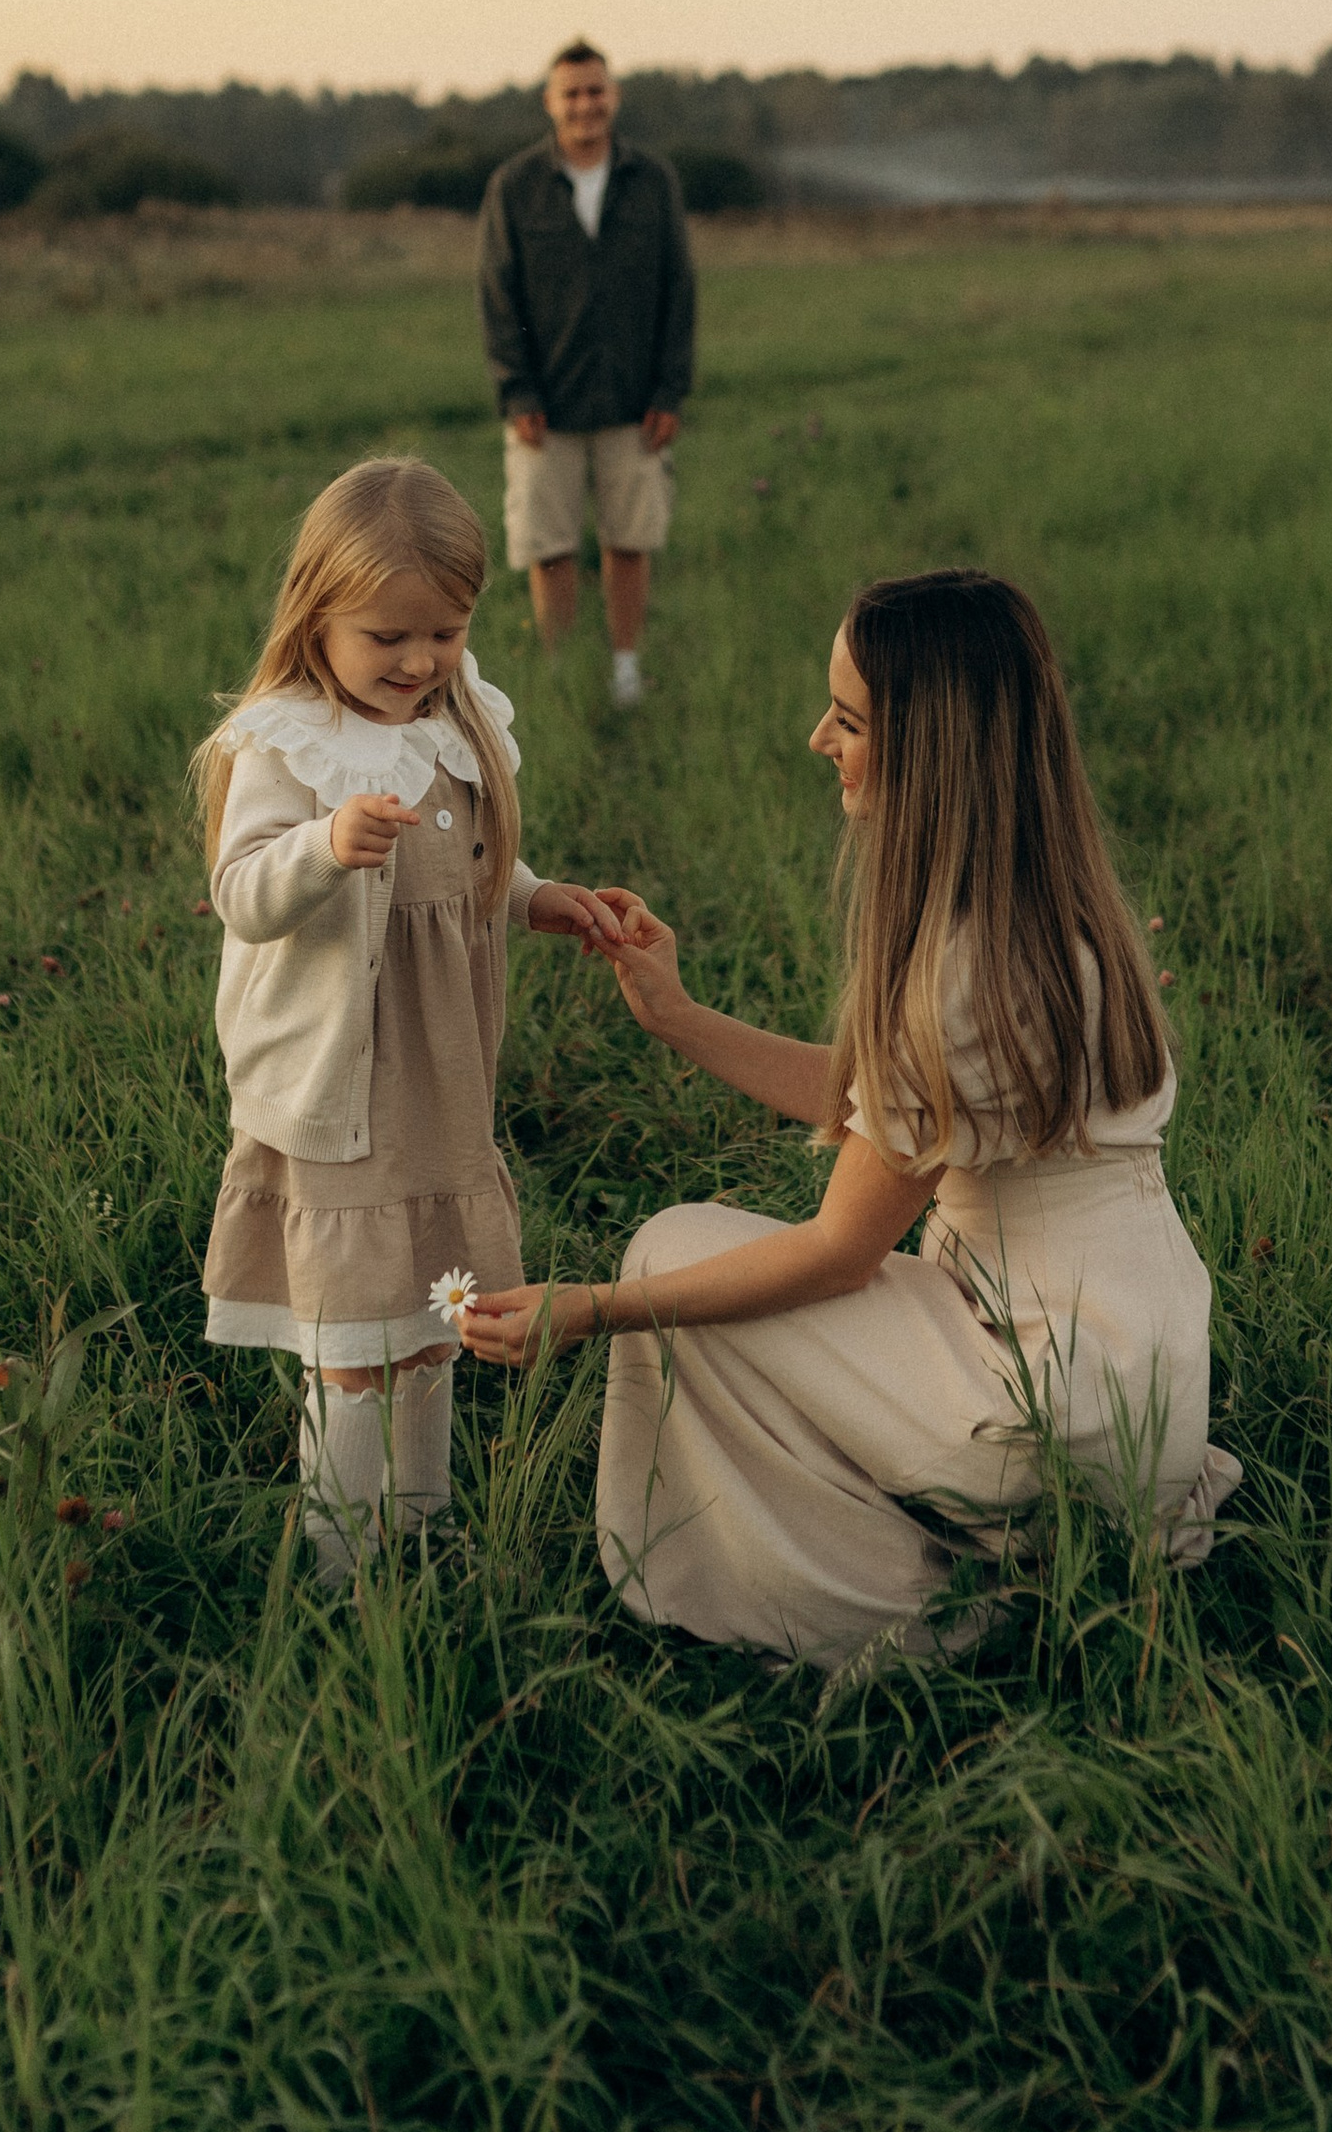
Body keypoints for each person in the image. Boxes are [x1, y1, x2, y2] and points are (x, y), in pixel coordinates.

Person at [460, 569, 1238, 1669]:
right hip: (1143, 1393)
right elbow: (896, 1099)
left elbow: (837, 1254)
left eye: (851, 718)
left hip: (1044, 1411)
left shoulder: (957, 973)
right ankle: (1019, 1546)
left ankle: (902, 1602)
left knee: (673, 1249)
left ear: (931, 750)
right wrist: (678, 1019)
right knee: (723, 1276)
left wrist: (591, 1308)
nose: (818, 736)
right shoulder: (1060, 914)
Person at [190, 455, 623, 1578]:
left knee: (435, 1319)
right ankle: (342, 1558)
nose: (420, 661)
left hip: (441, 1081)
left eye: (443, 630)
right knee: (351, 1339)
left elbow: (468, 863)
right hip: (345, 1086)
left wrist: (539, 898)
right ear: (318, 616)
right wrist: (322, 849)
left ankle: (419, 1523)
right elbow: (241, 893)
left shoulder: (455, 714)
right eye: (388, 637)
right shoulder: (287, 741)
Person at [476, 38, 695, 707]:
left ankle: (626, 670)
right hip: (546, 406)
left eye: (595, 90)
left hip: (634, 403)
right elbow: (497, 292)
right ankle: (562, 674)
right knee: (550, 547)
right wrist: (517, 392)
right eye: (571, 93)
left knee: (630, 540)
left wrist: (669, 390)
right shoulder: (514, 187)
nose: (585, 104)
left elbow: (677, 290)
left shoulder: (652, 181)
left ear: (614, 96)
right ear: (550, 102)